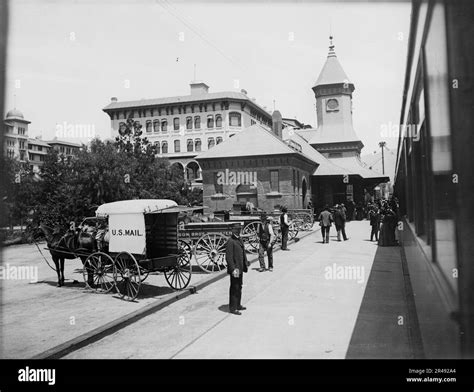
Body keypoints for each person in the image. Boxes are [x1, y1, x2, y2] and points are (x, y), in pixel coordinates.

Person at [225, 224, 249, 315]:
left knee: (239, 286)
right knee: (234, 288)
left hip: (240, 267)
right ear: (233, 230)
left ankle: (238, 305)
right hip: (235, 269)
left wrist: (246, 262)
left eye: (239, 229)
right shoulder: (231, 241)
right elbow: (229, 258)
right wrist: (233, 269)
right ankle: (233, 308)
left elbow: (243, 253)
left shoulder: (239, 239)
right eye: (237, 229)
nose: (238, 231)